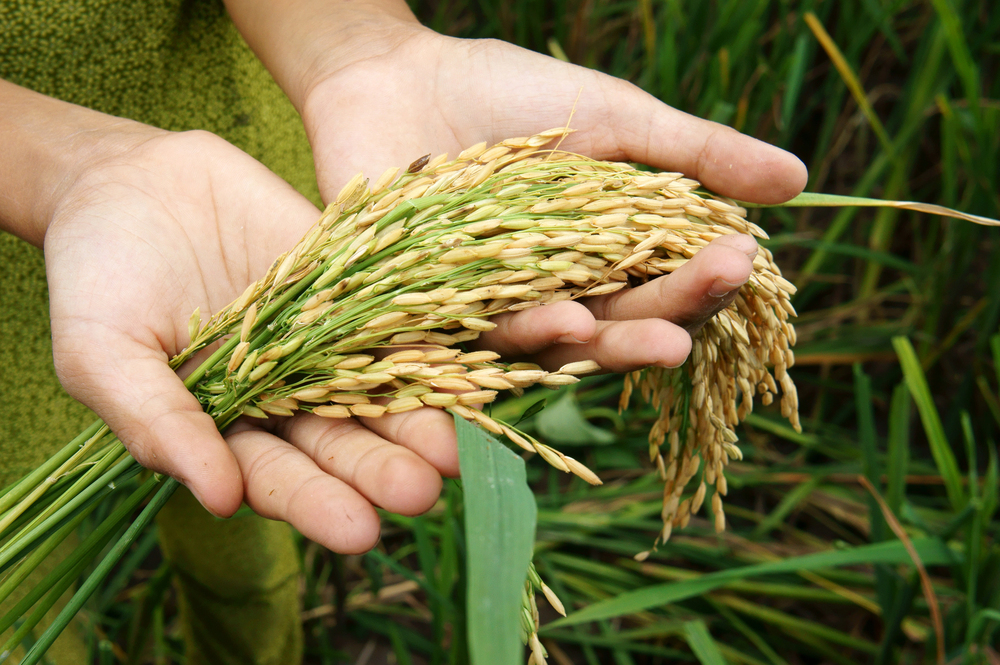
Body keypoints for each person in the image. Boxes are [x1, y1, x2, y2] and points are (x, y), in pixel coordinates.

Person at [0, 0, 808, 662]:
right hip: (135, 248)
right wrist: (66, 169)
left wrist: (356, 43)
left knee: (242, 532)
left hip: (261, 238)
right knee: (26, 614)